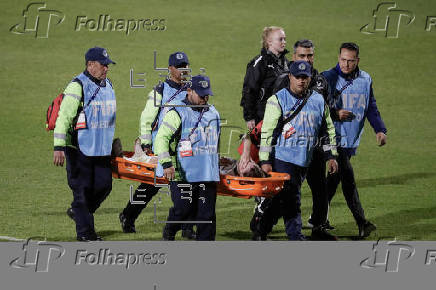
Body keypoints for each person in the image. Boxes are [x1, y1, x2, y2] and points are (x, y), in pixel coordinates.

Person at [249, 40, 340, 240]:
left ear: (310, 78)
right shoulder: (278, 100)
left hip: (305, 158)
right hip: (283, 158)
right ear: (290, 76)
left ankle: (261, 229)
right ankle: (295, 236)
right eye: (297, 77)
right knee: (292, 198)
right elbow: (267, 133)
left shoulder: (318, 100)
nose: (301, 81)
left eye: (305, 77)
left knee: (281, 198)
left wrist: (331, 156)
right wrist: (265, 161)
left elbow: (327, 130)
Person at [118, 52, 196, 239]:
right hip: (162, 145)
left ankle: (187, 228)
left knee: (188, 184)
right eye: (179, 66)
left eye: (185, 65)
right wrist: (146, 143)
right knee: (151, 186)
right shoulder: (160, 91)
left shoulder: (192, 89)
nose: (183, 69)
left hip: (184, 146)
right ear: (170, 69)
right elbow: (146, 118)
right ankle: (128, 215)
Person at [322, 42, 387, 238]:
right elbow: (317, 107)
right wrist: (335, 113)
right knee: (348, 181)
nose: (346, 64)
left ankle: (318, 218)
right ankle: (362, 222)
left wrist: (379, 129)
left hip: (351, 139)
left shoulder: (365, 79)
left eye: (351, 61)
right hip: (332, 139)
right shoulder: (327, 78)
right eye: (343, 60)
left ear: (357, 60)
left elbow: (370, 106)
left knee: (332, 182)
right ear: (338, 57)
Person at [53, 47, 116, 241]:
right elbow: (64, 117)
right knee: (81, 192)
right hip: (78, 148)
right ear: (90, 65)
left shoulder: (108, 85)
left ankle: (78, 212)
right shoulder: (77, 86)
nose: (106, 68)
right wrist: (59, 146)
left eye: (107, 65)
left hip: (102, 149)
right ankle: (86, 234)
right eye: (102, 65)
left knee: (104, 186)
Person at [155, 75, 220, 241]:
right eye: (201, 95)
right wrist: (166, 163)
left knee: (206, 217)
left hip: (207, 174)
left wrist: (217, 160)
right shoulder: (176, 112)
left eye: (207, 95)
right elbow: (161, 139)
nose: (205, 98)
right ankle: (171, 228)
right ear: (189, 91)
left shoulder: (213, 112)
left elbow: (215, 140)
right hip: (183, 175)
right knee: (184, 210)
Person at [240, 26, 290, 130]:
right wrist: (249, 117)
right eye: (280, 39)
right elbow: (249, 90)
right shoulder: (260, 63)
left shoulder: (286, 63)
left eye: (284, 39)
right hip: (263, 117)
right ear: (269, 42)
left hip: (284, 115)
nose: (284, 42)